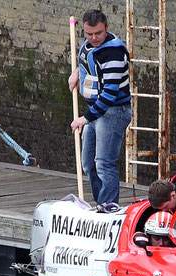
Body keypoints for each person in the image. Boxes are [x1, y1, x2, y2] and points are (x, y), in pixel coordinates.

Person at [68, 9, 131, 205]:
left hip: (112, 112)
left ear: (107, 29)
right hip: (96, 112)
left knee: (104, 163)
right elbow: (90, 62)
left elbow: (110, 93)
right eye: (89, 34)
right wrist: (78, 71)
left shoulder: (113, 53)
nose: (94, 38)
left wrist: (85, 118)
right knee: (88, 164)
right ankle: (99, 203)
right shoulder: (88, 45)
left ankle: (108, 206)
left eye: (99, 33)